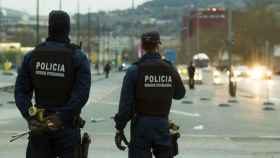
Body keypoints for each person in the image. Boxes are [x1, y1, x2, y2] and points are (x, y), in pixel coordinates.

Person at [14, 10, 91, 158]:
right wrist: (61, 117)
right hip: (67, 127)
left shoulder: (32, 56)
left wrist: (30, 116)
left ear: (49, 27)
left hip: (39, 125)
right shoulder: (78, 57)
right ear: (68, 29)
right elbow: (81, 94)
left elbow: (21, 92)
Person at [114, 31, 186, 158]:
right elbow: (180, 94)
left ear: (142, 47)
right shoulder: (169, 69)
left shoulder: (134, 70)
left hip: (140, 126)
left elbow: (126, 105)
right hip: (162, 124)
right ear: (158, 46)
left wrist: (120, 128)